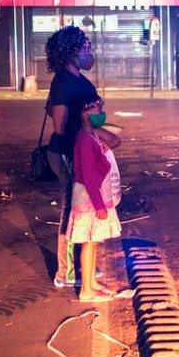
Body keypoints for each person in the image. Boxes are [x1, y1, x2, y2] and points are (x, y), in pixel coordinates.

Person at [44, 26, 121, 288]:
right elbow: (60, 127)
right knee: (71, 211)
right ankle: (65, 272)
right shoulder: (63, 83)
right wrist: (98, 132)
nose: (89, 51)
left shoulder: (76, 79)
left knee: (83, 209)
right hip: (66, 154)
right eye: (84, 47)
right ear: (71, 51)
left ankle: (82, 268)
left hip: (80, 151)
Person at [69, 98, 122, 302]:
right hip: (88, 198)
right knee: (88, 243)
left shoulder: (90, 136)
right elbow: (89, 177)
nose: (101, 112)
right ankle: (86, 291)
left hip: (93, 195)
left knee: (92, 242)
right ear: (85, 114)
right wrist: (99, 205)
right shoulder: (84, 139)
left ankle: (91, 283)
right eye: (97, 109)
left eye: (101, 108)